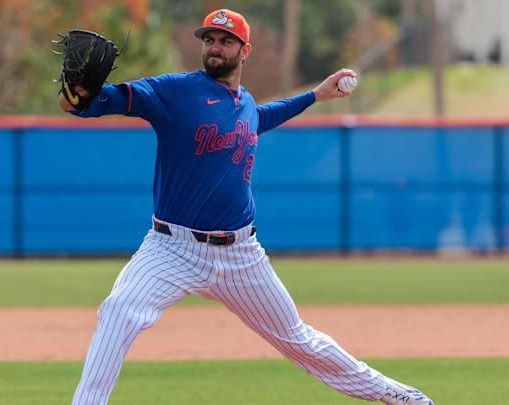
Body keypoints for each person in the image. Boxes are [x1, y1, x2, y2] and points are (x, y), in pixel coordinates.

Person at [59, 9, 434, 405]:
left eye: (225, 40)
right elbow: (107, 100)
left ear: (244, 50)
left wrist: (314, 96)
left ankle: (395, 394)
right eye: (209, 40)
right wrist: (79, 98)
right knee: (119, 310)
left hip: (241, 255)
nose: (214, 47)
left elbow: (259, 117)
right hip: (172, 249)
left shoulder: (245, 102)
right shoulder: (176, 92)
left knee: (300, 340)